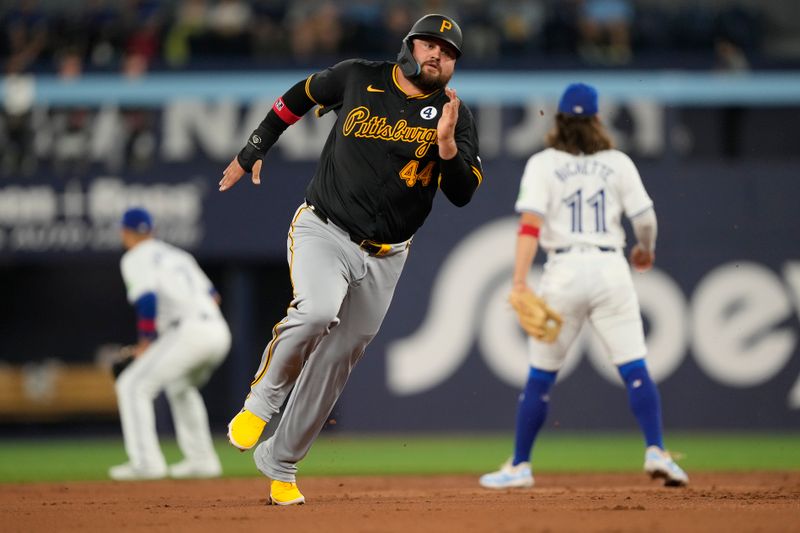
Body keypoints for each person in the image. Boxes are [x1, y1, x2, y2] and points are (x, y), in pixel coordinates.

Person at [218, 13, 482, 505]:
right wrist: (256, 145)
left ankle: (281, 463)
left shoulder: (454, 115)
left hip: (388, 255)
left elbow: (464, 193)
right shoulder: (359, 76)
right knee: (317, 310)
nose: (437, 55)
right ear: (408, 46)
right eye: (429, 44)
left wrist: (446, 145)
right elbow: (299, 96)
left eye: (447, 52)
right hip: (325, 229)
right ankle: (260, 402)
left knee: (338, 359)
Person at [479, 83, 688, 489]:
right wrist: (645, 250)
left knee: (540, 375)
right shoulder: (618, 162)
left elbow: (530, 227)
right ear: (597, 120)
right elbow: (645, 219)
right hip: (611, 267)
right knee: (634, 366)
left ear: (558, 120)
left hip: (565, 270)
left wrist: (520, 280)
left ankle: (520, 465)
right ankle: (656, 450)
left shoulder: (543, 163)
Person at [110, 207, 232, 481]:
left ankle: (146, 463)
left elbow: (148, 300)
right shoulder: (179, 255)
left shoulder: (134, 257)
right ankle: (202, 461)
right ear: (151, 230)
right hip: (217, 330)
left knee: (132, 385)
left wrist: (145, 344)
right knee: (181, 386)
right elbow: (214, 297)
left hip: (188, 331)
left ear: (125, 232)